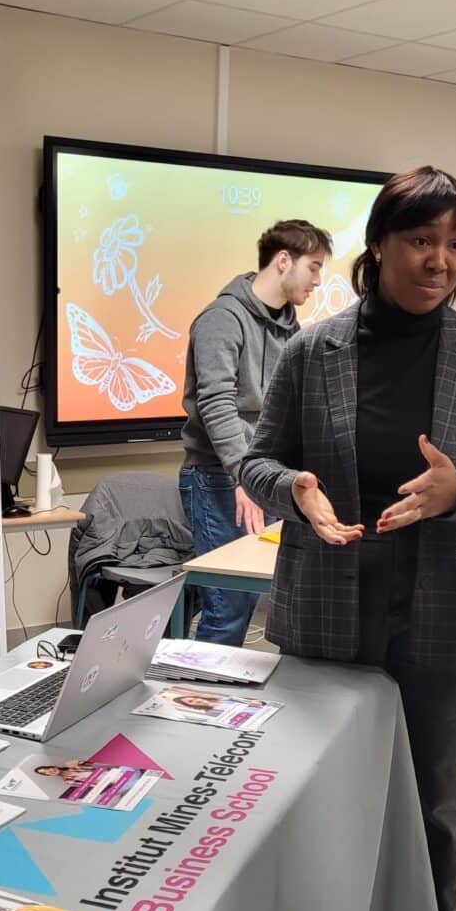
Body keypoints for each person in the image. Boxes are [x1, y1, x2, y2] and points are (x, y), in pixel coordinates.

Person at [242, 167, 456, 911]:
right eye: (421, 241)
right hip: (330, 609)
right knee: (321, 788)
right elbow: (255, 460)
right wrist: (298, 489)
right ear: (380, 245)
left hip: (442, 610)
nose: (440, 261)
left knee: (439, 790)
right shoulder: (311, 351)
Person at [180, 219, 332, 646]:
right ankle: (199, 703)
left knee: (263, 600)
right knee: (229, 606)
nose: (319, 281)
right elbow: (216, 404)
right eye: (315, 267)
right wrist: (245, 476)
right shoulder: (221, 319)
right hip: (216, 477)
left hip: (265, 476)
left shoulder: (291, 329)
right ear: (283, 261)